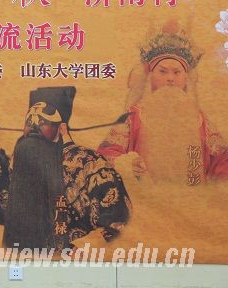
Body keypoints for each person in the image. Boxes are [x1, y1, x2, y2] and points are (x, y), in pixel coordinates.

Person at [98, 20, 228, 184]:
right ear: (151, 76)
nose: (170, 78)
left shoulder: (199, 120)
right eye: (163, 71)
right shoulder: (133, 116)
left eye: (177, 72)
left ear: (186, 78)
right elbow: (106, 155)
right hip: (146, 195)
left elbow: (222, 160)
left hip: (191, 195)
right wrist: (127, 165)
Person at [2, 87, 131, 251]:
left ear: (61, 128)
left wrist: (83, 246)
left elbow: (118, 216)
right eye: (30, 123)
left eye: (42, 123)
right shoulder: (19, 159)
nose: (34, 129)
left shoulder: (88, 162)